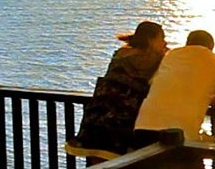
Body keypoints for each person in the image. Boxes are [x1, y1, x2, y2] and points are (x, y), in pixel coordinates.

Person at [70, 21, 168, 157]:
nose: (165, 43)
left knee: (97, 162)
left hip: (98, 110)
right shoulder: (151, 58)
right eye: (162, 38)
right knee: (118, 162)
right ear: (151, 40)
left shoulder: (121, 53)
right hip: (120, 115)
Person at [132, 30, 215, 146]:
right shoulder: (213, 59)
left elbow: (154, 84)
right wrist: (204, 98)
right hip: (179, 136)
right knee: (191, 162)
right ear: (211, 47)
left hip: (142, 129)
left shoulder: (171, 55)